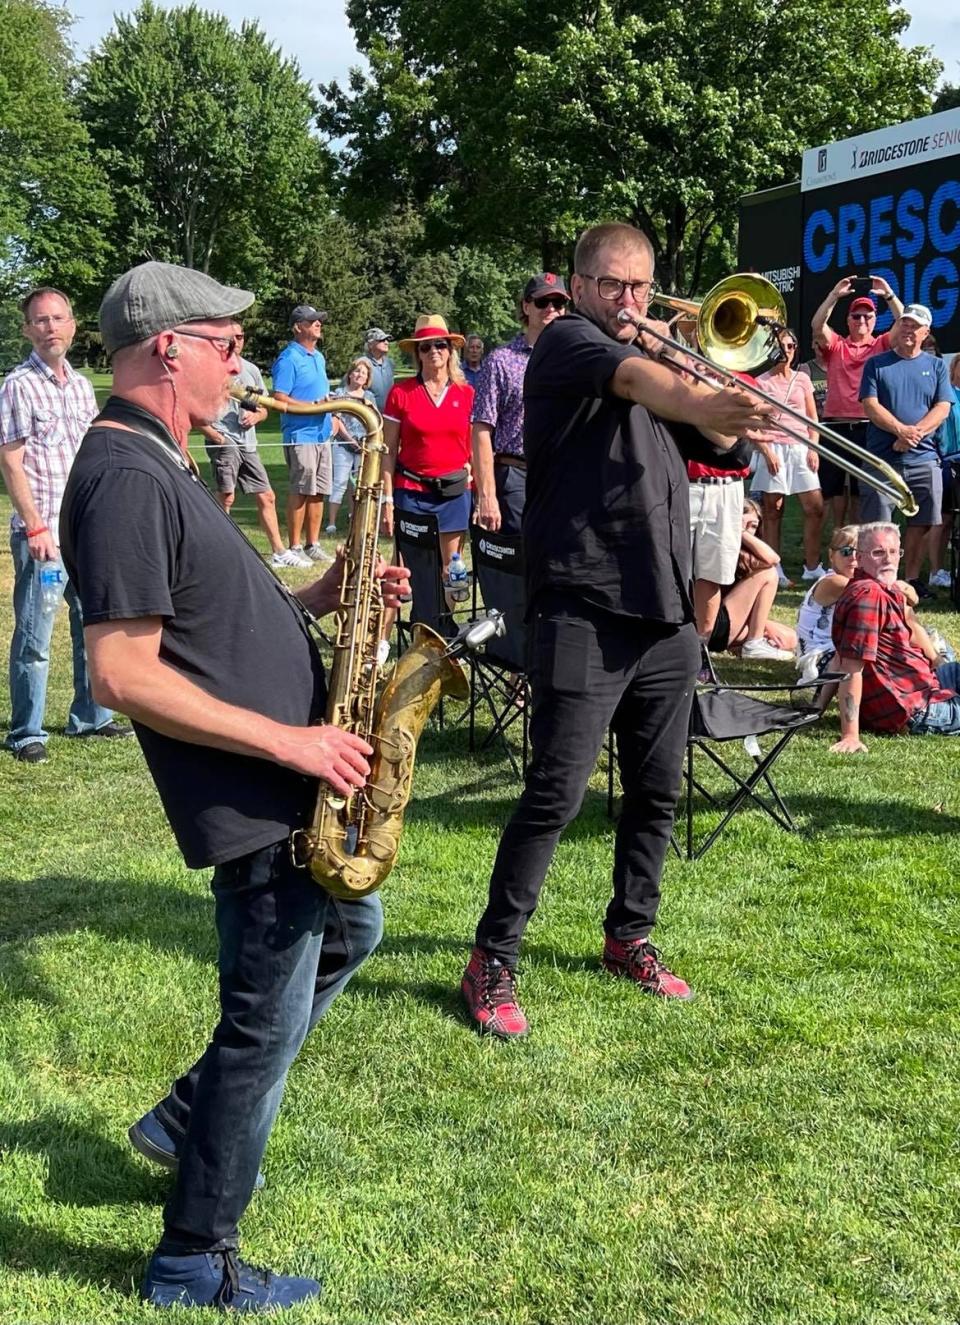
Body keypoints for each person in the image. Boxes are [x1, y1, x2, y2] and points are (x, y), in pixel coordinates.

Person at [58, 260, 410, 1311]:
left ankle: (187, 1113)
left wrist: (329, 588)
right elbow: (121, 673)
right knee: (263, 1019)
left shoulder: (163, 462)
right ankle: (191, 1256)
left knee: (354, 931)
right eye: (224, 343)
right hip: (257, 797)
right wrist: (292, 744)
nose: (241, 364)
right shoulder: (123, 475)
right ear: (168, 349)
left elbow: (220, 612)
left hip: (279, 787)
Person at [459, 221, 775, 1038]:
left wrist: (718, 383)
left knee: (657, 788)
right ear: (577, 284)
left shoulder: (661, 357)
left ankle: (629, 933)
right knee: (556, 792)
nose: (628, 302)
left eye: (640, 287)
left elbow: (716, 437)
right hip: (583, 601)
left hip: (664, 607)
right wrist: (695, 386)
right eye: (612, 286)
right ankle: (492, 957)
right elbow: (640, 383)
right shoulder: (566, 340)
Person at [0, 286, 129, 764]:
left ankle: (91, 716)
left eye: (58, 318)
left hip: (84, 528)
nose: (50, 327)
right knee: (35, 635)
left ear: (73, 324)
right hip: (44, 535)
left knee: (91, 625)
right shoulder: (17, 386)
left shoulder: (78, 385)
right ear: (26, 330)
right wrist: (34, 525)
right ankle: (26, 731)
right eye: (40, 320)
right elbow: (10, 461)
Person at [830, 523, 960, 751]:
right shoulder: (869, 596)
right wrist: (850, 735)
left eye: (893, 552)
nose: (888, 560)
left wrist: (815, 707)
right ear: (859, 557)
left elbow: (837, 658)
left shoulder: (874, 587)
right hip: (915, 709)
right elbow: (851, 667)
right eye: (878, 553)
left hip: (928, 685)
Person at [859, 305, 953, 597]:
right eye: (904, 324)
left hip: (924, 458)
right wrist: (900, 431)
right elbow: (870, 406)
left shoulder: (936, 366)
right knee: (878, 524)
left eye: (915, 326)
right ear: (896, 329)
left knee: (922, 522)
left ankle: (911, 579)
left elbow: (943, 407)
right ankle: (879, 582)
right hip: (883, 459)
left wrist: (914, 435)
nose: (909, 330)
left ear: (926, 333)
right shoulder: (877, 364)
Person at [198, 321, 306, 568]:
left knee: (266, 495)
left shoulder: (251, 370)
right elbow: (192, 411)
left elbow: (265, 409)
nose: (237, 341)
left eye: (241, 336)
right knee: (226, 496)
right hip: (224, 441)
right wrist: (215, 436)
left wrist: (256, 416)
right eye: (231, 337)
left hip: (248, 444)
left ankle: (280, 552)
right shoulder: (210, 370)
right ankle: (217, 550)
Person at [472, 272, 570, 535]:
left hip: (562, 476)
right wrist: (487, 496)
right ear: (526, 306)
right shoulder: (500, 361)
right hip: (516, 475)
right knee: (521, 563)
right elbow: (481, 431)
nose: (551, 309)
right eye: (542, 302)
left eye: (558, 303)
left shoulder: (574, 361)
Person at [380, 314, 474, 573]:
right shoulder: (400, 394)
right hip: (410, 491)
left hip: (454, 492)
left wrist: (479, 488)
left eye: (440, 344)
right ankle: (405, 615)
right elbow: (387, 451)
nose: (434, 350)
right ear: (418, 353)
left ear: (450, 350)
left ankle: (445, 616)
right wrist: (387, 499)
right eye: (426, 346)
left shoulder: (467, 394)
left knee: (451, 570)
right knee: (402, 571)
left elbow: (475, 450)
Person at [811, 275, 903, 528]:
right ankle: (837, 544)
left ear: (875, 320)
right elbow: (817, 325)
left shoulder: (881, 344)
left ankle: (861, 542)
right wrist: (834, 295)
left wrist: (889, 295)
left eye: (868, 316)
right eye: (856, 316)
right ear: (848, 320)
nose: (862, 320)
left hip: (868, 426)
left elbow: (904, 324)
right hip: (836, 426)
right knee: (831, 493)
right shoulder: (837, 345)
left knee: (863, 490)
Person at [270, 304, 342, 565]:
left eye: (319, 321)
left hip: (322, 433)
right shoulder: (289, 358)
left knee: (318, 491)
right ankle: (295, 546)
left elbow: (318, 392)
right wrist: (311, 407)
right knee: (301, 489)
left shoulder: (318, 357)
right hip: (301, 433)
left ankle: (313, 544)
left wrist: (331, 411)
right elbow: (278, 397)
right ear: (298, 327)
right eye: (312, 321)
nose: (318, 324)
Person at [753, 326, 825, 581]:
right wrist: (767, 452)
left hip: (801, 447)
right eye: (781, 346)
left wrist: (813, 447)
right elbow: (755, 422)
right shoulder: (761, 381)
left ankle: (812, 566)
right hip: (773, 446)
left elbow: (812, 419)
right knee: (773, 509)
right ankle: (774, 568)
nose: (786, 351)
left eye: (791, 346)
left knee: (814, 507)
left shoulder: (802, 378)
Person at [705, 499, 796, 661]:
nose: (748, 530)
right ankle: (754, 643)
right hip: (712, 624)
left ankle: (746, 642)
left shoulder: (748, 552)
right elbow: (773, 559)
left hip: (731, 619)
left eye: (753, 526)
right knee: (768, 573)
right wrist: (738, 531)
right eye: (743, 523)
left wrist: (764, 626)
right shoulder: (721, 545)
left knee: (789, 638)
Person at [327, 357, 377, 533]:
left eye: (363, 373)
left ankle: (353, 518)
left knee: (358, 485)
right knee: (339, 482)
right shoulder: (339, 393)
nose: (359, 375)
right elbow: (336, 419)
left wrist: (363, 443)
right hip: (343, 444)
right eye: (357, 371)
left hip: (363, 446)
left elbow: (374, 420)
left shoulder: (369, 396)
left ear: (367, 378)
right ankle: (331, 523)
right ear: (350, 374)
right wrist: (349, 440)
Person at [926, 352, 960, 591]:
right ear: (954, 368)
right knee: (943, 520)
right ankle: (935, 571)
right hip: (947, 464)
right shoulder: (945, 395)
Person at [360, 326, 394, 413]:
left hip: (390, 416)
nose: (386, 343)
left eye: (387, 340)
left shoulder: (389, 363)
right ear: (370, 345)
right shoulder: (362, 363)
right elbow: (347, 391)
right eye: (382, 340)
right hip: (370, 419)